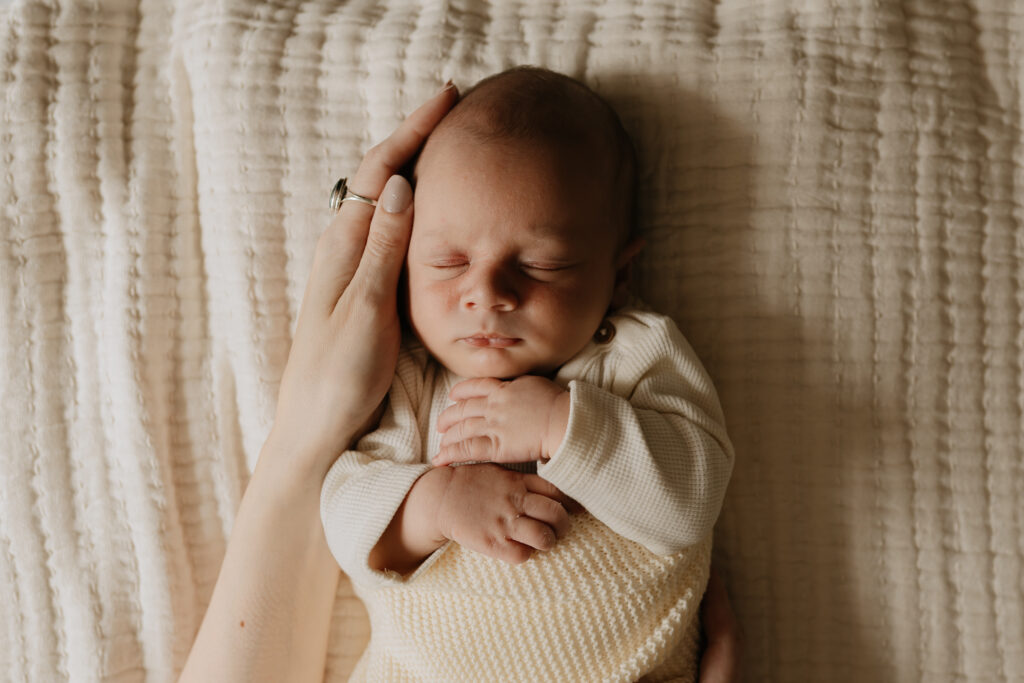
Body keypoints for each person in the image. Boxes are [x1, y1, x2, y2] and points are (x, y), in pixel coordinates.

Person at [179, 77, 741, 683]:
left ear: (619, 273)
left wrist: (563, 424)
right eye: (449, 263)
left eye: (540, 265)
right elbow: (346, 512)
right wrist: (435, 505)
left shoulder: (637, 355)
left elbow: (693, 497)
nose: (488, 293)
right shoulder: (414, 381)